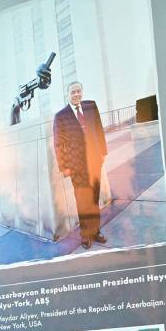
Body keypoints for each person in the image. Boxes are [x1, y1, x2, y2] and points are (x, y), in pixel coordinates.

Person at [52, 80, 107, 249]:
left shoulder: (91, 106)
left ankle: (95, 231)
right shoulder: (60, 116)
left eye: (78, 91)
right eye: (73, 92)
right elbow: (58, 144)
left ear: (82, 92)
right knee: (83, 201)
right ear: (67, 95)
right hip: (77, 167)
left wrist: (103, 152)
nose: (76, 95)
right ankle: (86, 235)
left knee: (94, 198)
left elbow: (99, 129)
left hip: (94, 162)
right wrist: (64, 167)